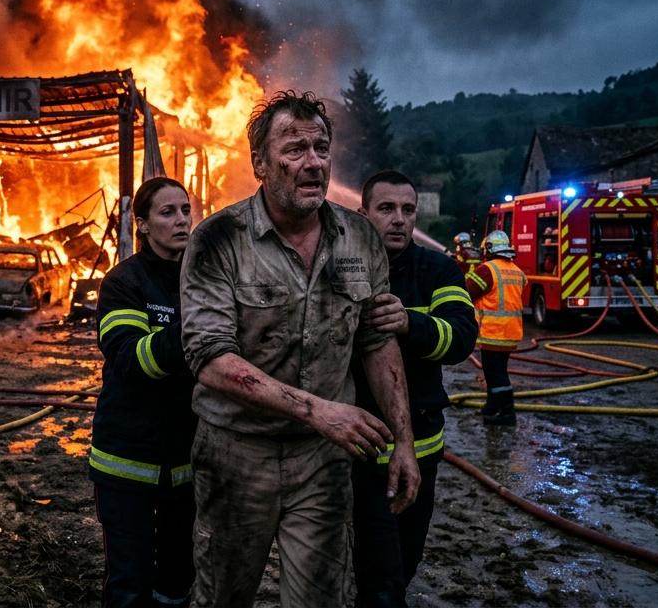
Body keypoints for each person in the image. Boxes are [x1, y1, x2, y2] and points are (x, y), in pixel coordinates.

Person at [180, 90, 420, 607]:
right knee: (223, 596)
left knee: (319, 600)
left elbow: (378, 340)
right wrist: (318, 411)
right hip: (236, 454)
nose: (313, 163)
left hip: (322, 462)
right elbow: (211, 361)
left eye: (321, 147)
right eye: (294, 150)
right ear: (260, 163)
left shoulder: (359, 238)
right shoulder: (218, 239)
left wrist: (404, 441)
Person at [353, 171, 479, 607]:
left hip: (422, 447)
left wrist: (411, 323)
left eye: (408, 210)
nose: (400, 220)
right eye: (386, 209)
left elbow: (462, 337)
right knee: (380, 577)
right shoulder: (341, 270)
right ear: (362, 213)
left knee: (405, 561)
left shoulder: (439, 270)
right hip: (359, 450)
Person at [91, 177, 196, 608]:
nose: (181, 220)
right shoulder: (123, 283)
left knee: (178, 579)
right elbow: (133, 361)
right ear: (144, 226)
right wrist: (196, 329)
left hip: (186, 465)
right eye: (167, 212)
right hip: (126, 463)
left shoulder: (205, 278)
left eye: (186, 210)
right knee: (129, 581)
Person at [466, 230, 527, 426]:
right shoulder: (517, 270)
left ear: (489, 249)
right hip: (511, 331)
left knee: (496, 374)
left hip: (494, 332)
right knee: (496, 372)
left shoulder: (487, 270)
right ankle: (492, 407)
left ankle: (507, 413)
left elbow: (467, 291)